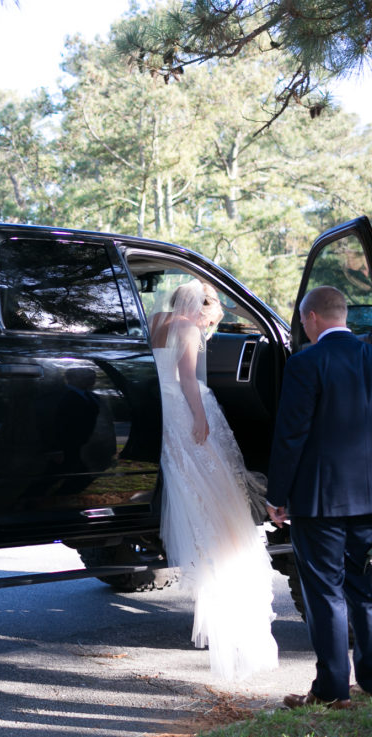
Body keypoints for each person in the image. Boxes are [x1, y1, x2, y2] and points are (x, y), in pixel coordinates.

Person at [266, 285, 372, 709]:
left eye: (303, 320)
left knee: (325, 593)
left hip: (318, 500)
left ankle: (331, 689)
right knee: (365, 589)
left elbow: (291, 436)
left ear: (313, 317)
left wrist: (276, 495)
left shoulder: (305, 364)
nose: (303, 326)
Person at [151, 279, 279, 681]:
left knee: (190, 481)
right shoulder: (186, 328)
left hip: (159, 409)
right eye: (209, 320)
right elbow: (187, 378)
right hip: (184, 407)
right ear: (198, 309)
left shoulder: (155, 318)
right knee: (218, 497)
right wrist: (201, 417)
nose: (207, 329)